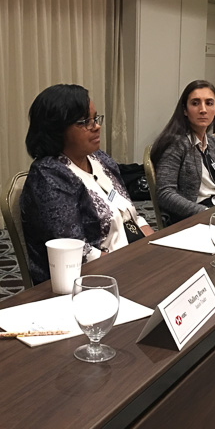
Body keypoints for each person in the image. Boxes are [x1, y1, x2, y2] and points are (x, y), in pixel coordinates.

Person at [21, 84, 152, 284]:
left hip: (130, 257)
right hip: (92, 280)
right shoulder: (48, 177)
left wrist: (155, 248)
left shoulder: (99, 159)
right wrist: (133, 270)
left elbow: (130, 215)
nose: (96, 126)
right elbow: (77, 252)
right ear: (56, 129)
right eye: (84, 122)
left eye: (96, 118)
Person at [150, 80, 215, 224]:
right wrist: (205, 213)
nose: (203, 110)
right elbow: (165, 194)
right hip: (190, 217)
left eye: (209, 103)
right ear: (185, 110)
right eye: (195, 103)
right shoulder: (176, 144)